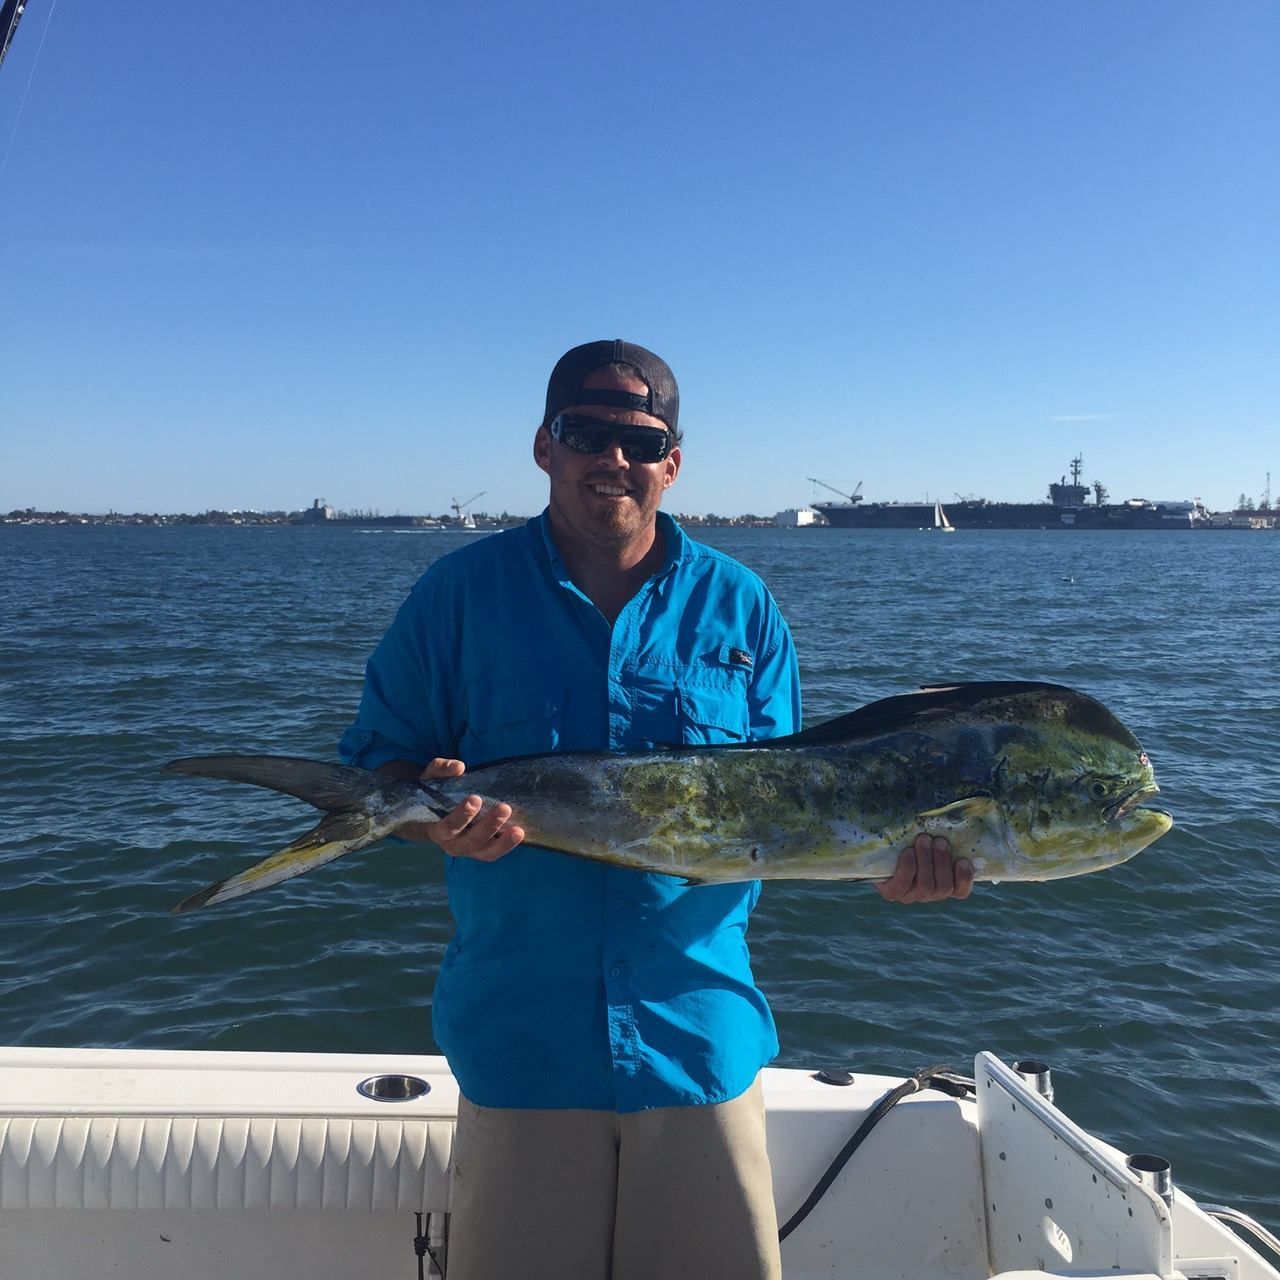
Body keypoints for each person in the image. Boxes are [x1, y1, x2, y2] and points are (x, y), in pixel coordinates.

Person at [339, 340, 973, 1280]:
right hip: (523, 1041)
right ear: (544, 447)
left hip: (699, 1037)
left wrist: (898, 861)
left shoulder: (745, 609)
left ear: (672, 462)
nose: (614, 460)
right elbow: (379, 765)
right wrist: (435, 818)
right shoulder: (456, 598)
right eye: (587, 433)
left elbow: (800, 802)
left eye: (641, 440)